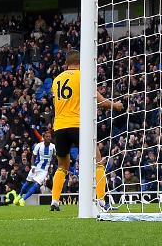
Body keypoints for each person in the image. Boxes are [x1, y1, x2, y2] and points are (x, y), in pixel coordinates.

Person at [48, 49, 122, 212]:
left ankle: (54, 201)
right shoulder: (83, 76)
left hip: (59, 126)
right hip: (78, 124)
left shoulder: (56, 80)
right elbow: (100, 101)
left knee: (62, 166)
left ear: (66, 63)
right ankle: (102, 201)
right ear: (80, 63)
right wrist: (115, 105)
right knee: (98, 160)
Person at [18, 130, 56, 204]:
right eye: (47, 137)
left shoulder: (53, 147)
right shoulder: (38, 146)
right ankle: (20, 195)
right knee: (28, 182)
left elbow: (54, 157)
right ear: (43, 138)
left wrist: (51, 165)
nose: (48, 138)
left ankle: (23, 200)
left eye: (49, 137)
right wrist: (33, 166)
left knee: (37, 185)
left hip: (44, 170)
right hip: (36, 168)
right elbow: (33, 157)